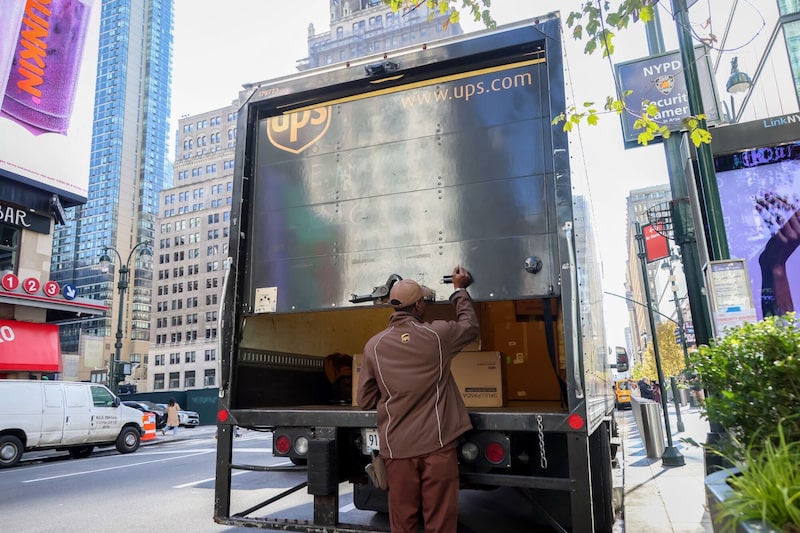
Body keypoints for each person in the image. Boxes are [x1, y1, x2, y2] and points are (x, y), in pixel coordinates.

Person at [357, 265, 479, 533]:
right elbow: (470, 327)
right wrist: (459, 289)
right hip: (438, 445)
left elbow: (364, 400)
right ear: (419, 306)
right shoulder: (437, 335)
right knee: (440, 520)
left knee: (403, 522)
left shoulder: (373, 346)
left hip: (397, 449)